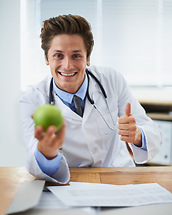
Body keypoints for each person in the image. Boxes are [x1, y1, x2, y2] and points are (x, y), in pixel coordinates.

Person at [19, 14, 162, 183]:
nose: (67, 66)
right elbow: (34, 161)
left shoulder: (111, 79)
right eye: (58, 55)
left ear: (88, 58)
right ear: (46, 58)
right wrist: (46, 152)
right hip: (71, 184)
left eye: (76, 55)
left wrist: (137, 135)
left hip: (119, 179)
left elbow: (151, 130)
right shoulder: (32, 101)